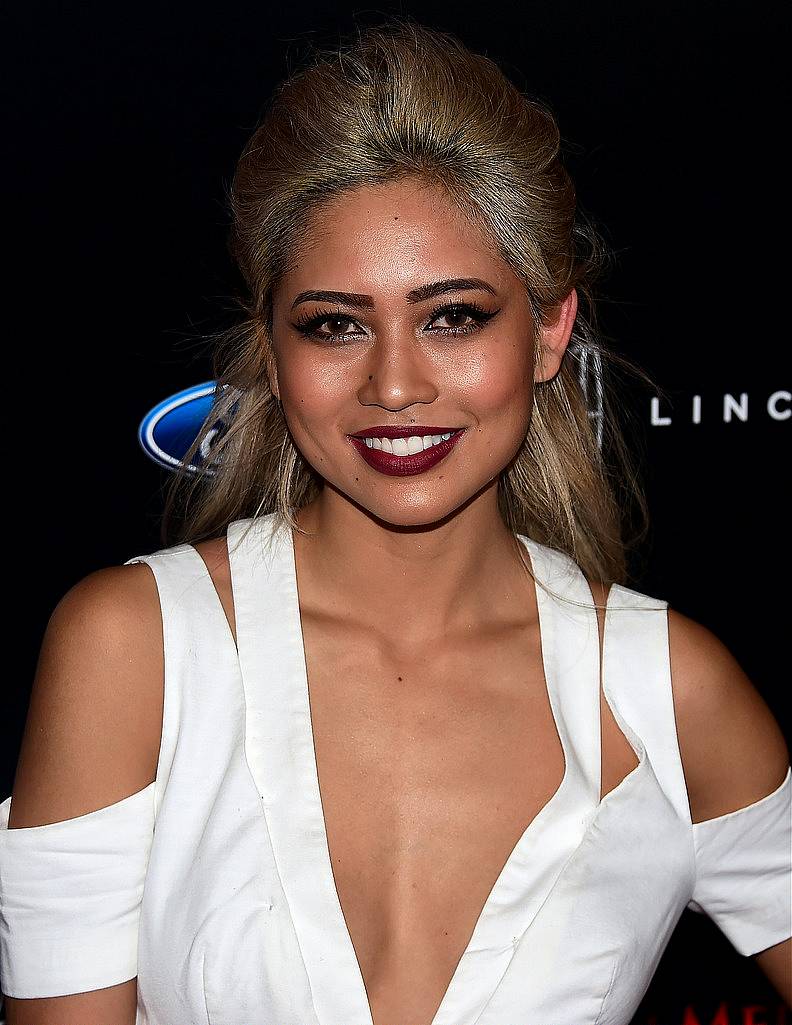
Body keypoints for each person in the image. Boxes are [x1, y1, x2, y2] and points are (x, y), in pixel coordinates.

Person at [1, 17, 789, 1025]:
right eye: (336, 324)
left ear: (550, 328)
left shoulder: (668, 691)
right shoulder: (133, 651)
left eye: (452, 315)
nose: (395, 382)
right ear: (274, 353)